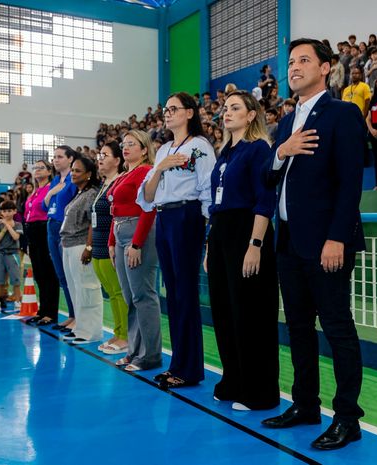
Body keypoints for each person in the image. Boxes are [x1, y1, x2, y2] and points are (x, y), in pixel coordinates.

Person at [260, 38, 366, 452]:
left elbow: (350, 181)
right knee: (299, 328)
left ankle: (347, 417)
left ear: (326, 67)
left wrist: (337, 236)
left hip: (327, 242)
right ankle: (305, 405)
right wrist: (280, 152)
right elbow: (269, 178)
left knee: (337, 328)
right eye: (290, 62)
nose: (294, 67)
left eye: (304, 60)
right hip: (289, 242)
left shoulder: (342, 113)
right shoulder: (286, 122)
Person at [206, 90, 280, 412]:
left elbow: (265, 199)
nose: (227, 112)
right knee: (224, 310)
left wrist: (255, 244)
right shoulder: (225, 153)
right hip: (222, 232)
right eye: (225, 108)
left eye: (235, 107)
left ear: (251, 115)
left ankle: (260, 391)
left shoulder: (258, 148)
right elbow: (215, 204)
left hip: (247, 231)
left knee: (252, 313)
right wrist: (210, 244)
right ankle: (233, 378)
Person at [139, 92, 216, 389]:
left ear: (189, 113)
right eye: (165, 109)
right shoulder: (164, 150)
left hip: (187, 216)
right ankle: (178, 364)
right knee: (172, 294)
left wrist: (210, 234)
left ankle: (190, 368)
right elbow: (147, 195)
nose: (167, 113)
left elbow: (207, 191)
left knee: (185, 294)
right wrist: (160, 167)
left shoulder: (199, 147)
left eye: (174, 109)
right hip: (165, 216)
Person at [109, 130, 162, 372]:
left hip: (137, 231)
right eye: (124, 144)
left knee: (143, 295)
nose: (126, 147)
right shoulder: (124, 175)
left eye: (132, 144)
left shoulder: (146, 171)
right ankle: (134, 350)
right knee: (130, 297)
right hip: (120, 232)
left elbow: (148, 207)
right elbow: (114, 209)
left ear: (144, 148)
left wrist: (137, 243)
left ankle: (150, 355)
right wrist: (111, 242)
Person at [89, 142, 128, 355]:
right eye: (99, 155)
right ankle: (118, 332)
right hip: (98, 244)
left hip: (110, 244)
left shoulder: (119, 181)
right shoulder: (105, 183)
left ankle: (126, 336)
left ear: (117, 160)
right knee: (112, 293)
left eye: (105, 155)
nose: (100, 158)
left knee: (119, 292)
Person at [60, 157, 103, 345]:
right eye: (72, 170)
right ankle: (80, 327)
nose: (73, 174)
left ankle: (91, 332)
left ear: (89, 174)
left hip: (80, 245)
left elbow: (93, 223)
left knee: (87, 288)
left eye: (78, 171)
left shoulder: (92, 194)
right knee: (76, 289)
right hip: (68, 245)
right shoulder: (79, 193)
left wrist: (89, 246)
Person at [45, 146, 78, 330]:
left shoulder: (74, 179)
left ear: (70, 158)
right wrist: (51, 192)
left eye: (59, 157)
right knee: (62, 275)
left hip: (66, 228)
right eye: (54, 157)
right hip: (51, 225)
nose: (55, 160)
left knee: (71, 274)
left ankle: (78, 316)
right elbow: (45, 206)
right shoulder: (56, 180)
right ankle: (72, 315)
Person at [24, 160, 60, 326]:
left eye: (41, 168)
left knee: (48, 273)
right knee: (38, 274)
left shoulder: (51, 188)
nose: (37, 170)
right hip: (31, 232)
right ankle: (42, 310)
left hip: (43, 229)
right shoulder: (34, 192)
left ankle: (51, 313)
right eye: (35, 168)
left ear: (49, 171)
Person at [0, 201, 23, 312]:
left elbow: (15, 237)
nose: (7, 213)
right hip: (0, 254)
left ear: (14, 211)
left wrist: (7, 225)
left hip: (13, 254)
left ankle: (18, 301)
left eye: (9, 210)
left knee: (16, 279)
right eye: (4, 211)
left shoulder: (18, 224)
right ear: (1, 212)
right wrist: (4, 227)